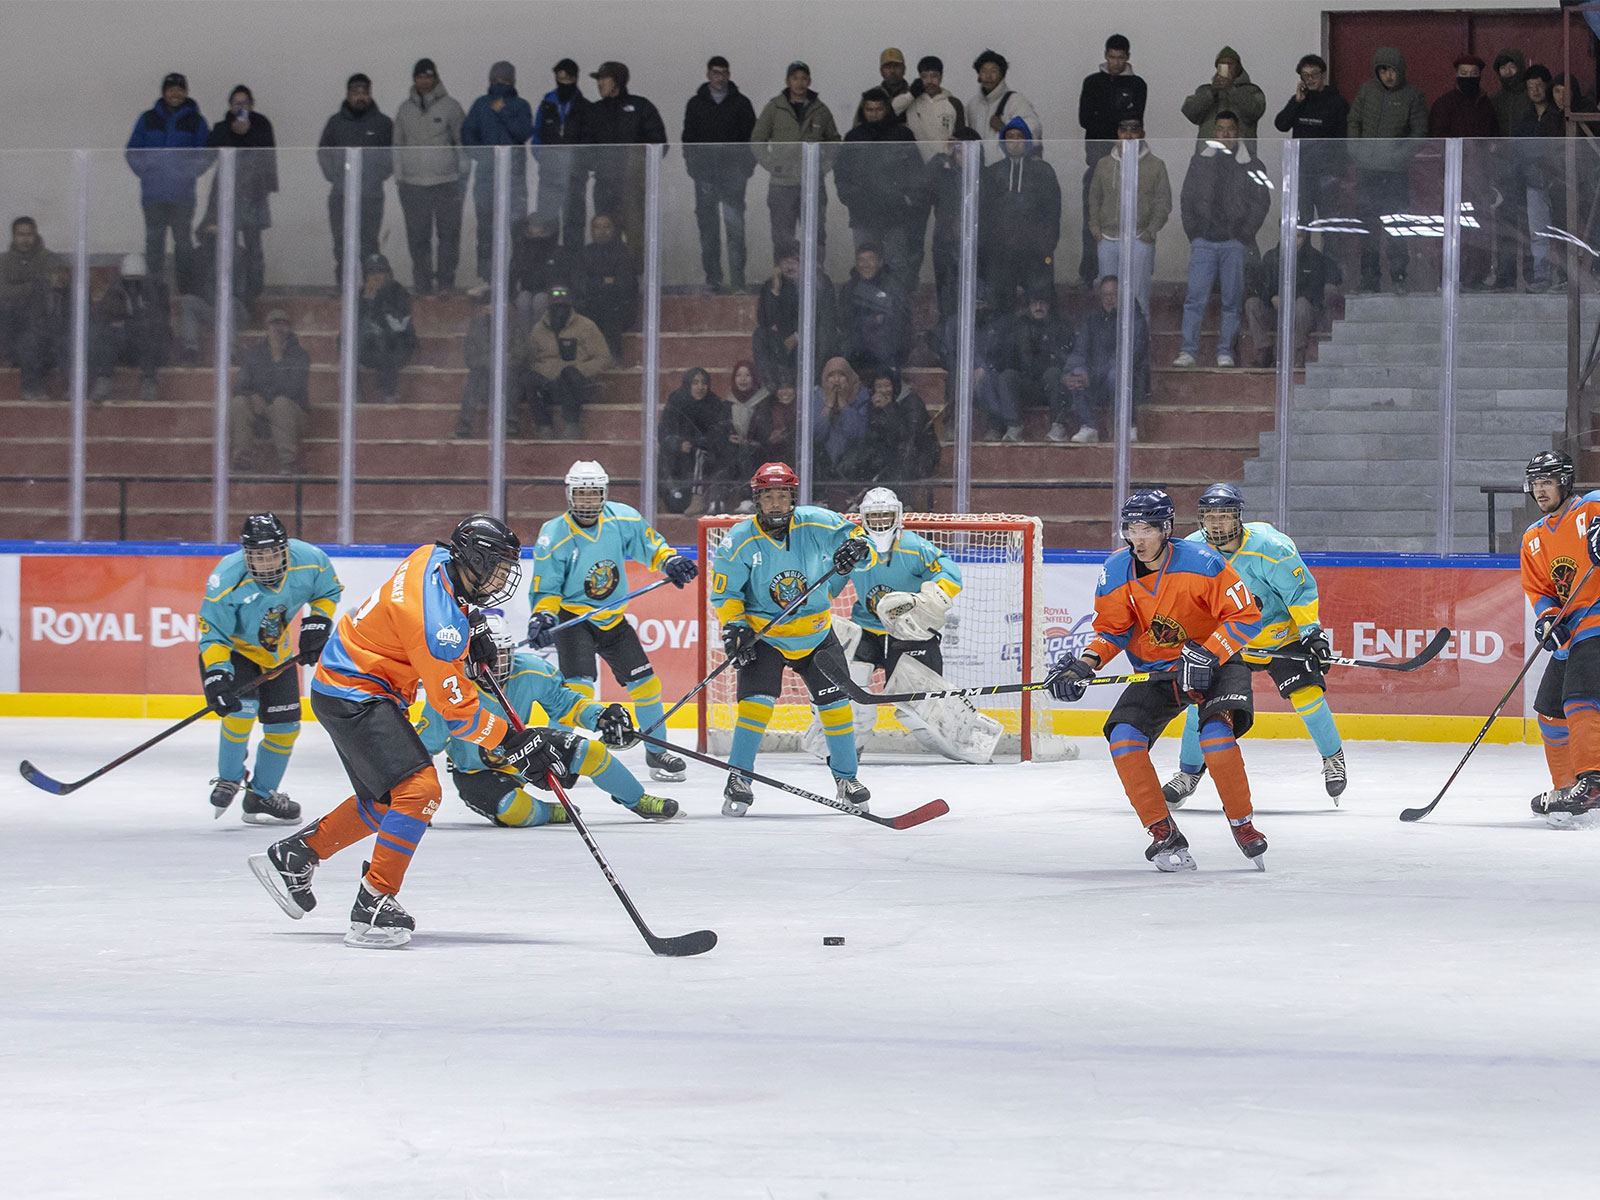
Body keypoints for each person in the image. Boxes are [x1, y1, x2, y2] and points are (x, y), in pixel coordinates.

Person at [251, 514, 565, 949]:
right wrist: (514, 744)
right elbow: (460, 716)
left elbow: (434, 621)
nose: (501, 578)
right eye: (494, 567)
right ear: (471, 560)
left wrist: (470, 631)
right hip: (355, 692)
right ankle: (374, 903)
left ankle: (295, 856)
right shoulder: (439, 629)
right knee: (420, 791)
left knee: (386, 801)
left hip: (347, 682)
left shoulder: (433, 557)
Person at [1045, 489, 1267, 871]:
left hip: (1216, 662)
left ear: (1166, 529)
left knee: (1215, 737)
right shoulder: (1115, 570)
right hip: (1158, 670)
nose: (1139, 537)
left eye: (1147, 527)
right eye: (1132, 527)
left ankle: (1242, 823)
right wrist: (1084, 664)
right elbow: (1112, 630)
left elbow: (1245, 616)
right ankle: (1163, 832)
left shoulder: (1203, 563)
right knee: (1123, 738)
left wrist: (1208, 653)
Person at [710, 460, 879, 815]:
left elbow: (861, 544)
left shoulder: (818, 522)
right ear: (757, 498)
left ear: (793, 498)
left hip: (816, 633)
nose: (775, 503)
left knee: (835, 707)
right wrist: (735, 625)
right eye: (768, 495)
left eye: (783, 495)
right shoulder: (738, 541)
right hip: (766, 635)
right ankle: (739, 777)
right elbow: (725, 596)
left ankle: (847, 778)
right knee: (756, 705)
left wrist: (859, 552)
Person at [1162, 484, 1346, 807]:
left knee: (1307, 695)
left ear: (1238, 517)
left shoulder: (1270, 547)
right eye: (1210, 517)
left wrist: (1312, 633)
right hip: (1228, 640)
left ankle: (1333, 757)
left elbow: (1299, 592)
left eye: (1224, 516)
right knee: (1199, 702)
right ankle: (1189, 772)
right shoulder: (1191, 550)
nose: (1216, 524)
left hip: (1279, 637)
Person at [417, 613, 678, 825]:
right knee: (514, 811)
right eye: (485, 658)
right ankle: (548, 812)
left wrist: (600, 717)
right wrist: (419, 802)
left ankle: (637, 799)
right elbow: (423, 750)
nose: (493, 665)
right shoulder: (449, 691)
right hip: (476, 772)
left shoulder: (530, 671)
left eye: (500, 655)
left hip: (525, 751)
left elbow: (567, 703)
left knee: (592, 751)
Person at [527, 460, 698, 783]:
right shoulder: (554, 535)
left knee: (647, 683)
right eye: (581, 494)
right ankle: (554, 754)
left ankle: (656, 749)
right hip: (574, 617)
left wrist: (671, 561)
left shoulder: (623, 519)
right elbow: (546, 587)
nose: (588, 501)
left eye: (594, 494)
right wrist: (543, 615)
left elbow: (652, 547)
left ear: (604, 494)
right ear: (569, 495)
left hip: (611, 618)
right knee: (576, 690)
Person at [824, 487, 999, 763]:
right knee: (851, 692)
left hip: (909, 631)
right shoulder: (856, 549)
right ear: (863, 518)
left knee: (916, 705)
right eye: (875, 516)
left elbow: (949, 571)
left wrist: (932, 596)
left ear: (898, 516)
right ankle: (845, 746)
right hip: (866, 628)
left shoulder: (914, 547)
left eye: (886, 515)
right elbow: (830, 586)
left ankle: (964, 740)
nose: (881, 522)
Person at [200, 512, 342, 825]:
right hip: (235, 652)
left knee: (286, 727)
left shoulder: (310, 560)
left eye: (272, 554)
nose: (265, 563)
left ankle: (261, 795)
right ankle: (229, 777)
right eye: (257, 556)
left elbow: (328, 591)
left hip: (277, 654)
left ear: (285, 549)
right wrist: (216, 676)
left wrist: (318, 622)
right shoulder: (226, 578)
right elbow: (213, 633)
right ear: (245, 554)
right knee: (240, 713)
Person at [1520, 451, 1600, 824]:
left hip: (1598, 623)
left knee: (1579, 698)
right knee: (1550, 711)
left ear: (1565, 483)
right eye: (1535, 484)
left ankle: (1593, 781)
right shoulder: (1533, 538)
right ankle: (1569, 790)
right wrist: (1548, 619)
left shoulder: (1590, 510)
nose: (1540, 490)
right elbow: (1540, 590)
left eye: (1547, 482)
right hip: (1572, 631)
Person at [1173, 113, 1271, 369]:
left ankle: (1225, 350)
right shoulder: (1200, 161)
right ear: (1213, 132)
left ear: (1237, 132)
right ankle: (1188, 351)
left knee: (1232, 300)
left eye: (1230, 129)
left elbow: (1261, 201)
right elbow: (1187, 198)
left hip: (1234, 242)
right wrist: (1194, 232)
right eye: (1220, 129)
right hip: (1203, 241)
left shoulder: (1252, 163)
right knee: (1195, 298)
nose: (1225, 135)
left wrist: (1244, 234)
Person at [1346, 48, 1428, 295]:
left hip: (1395, 173)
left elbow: (1419, 132)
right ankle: (1369, 278)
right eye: (1383, 70)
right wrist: (1355, 150)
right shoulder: (1367, 91)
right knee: (1368, 227)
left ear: (1400, 71)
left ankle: (1399, 275)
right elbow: (1354, 121)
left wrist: (1397, 157)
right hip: (1367, 170)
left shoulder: (1412, 95)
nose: (1388, 76)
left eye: (1392, 70)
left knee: (1396, 225)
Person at [124, 72, 211, 294]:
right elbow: (133, 151)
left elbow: (207, 154)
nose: (176, 93)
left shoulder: (196, 121)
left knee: (183, 244)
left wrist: (187, 173)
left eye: (180, 89)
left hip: (182, 195)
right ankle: (155, 291)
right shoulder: (147, 118)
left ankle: (186, 290)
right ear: (163, 91)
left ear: (186, 92)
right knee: (154, 244)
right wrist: (146, 170)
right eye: (171, 88)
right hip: (153, 195)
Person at [751, 62, 842, 260]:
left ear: (809, 81)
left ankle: (815, 279)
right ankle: (784, 283)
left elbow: (834, 141)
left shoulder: (820, 109)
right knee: (782, 236)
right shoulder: (775, 107)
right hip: (782, 184)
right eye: (795, 78)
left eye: (803, 78)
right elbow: (757, 139)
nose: (799, 83)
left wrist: (823, 166)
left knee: (816, 233)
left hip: (812, 183)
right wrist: (771, 164)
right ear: (787, 81)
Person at [682, 55, 758, 293]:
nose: (720, 77)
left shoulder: (742, 103)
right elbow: (688, 139)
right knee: (708, 230)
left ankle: (738, 282)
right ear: (708, 75)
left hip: (734, 175)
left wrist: (746, 169)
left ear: (729, 75)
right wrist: (694, 170)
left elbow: (752, 139)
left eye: (724, 72)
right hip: (705, 175)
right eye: (715, 72)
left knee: (735, 229)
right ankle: (713, 279)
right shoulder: (695, 104)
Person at [392, 58, 467, 296]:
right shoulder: (404, 109)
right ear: (414, 79)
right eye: (419, 76)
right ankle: (422, 285)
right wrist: (399, 177)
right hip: (413, 184)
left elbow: (461, 143)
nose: (424, 80)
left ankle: (445, 283)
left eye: (428, 76)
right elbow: (397, 144)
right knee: (417, 237)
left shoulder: (451, 107)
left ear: (435, 78)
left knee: (448, 236)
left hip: (446, 182)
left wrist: (461, 176)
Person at [1077, 35, 1147, 286]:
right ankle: (1089, 272)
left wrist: (1105, 114)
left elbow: (1133, 120)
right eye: (1111, 57)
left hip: (1128, 162)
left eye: (1120, 57)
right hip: (1097, 161)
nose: (1116, 62)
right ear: (1105, 55)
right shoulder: (1093, 82)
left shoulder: (1137, 84)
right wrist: (1117, 113)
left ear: (1127, 56)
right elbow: (1085, 119)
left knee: (1130, 217)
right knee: (1093, 217)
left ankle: (1129, 272)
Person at [834, 88, 925, 278]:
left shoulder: (902, 135)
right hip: (863, 213)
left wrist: (908, 199)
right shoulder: (854, 137)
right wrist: (851, 197)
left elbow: (916, 172)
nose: (874, 114)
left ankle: (897, 306)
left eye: (878, 109)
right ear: (863, 111)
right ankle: (866, 306)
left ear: (887, 110)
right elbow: (842, 173)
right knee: (865, 264)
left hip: (896, 213)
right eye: (869, 109)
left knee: (897, 262)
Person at [587, 61, 668, 273]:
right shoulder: (594, 111)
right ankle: (607, 280)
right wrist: (598, 164)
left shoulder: (641, 107)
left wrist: (639, 166)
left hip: (633, 186)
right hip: (605, 184)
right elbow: (584, 147)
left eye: (604, 79)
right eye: (598, 80)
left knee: (636, 236)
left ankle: (636, 281)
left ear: (617, 82)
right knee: (605, 233)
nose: (600, 84)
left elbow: (660, 144)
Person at [1087, 117, 1170, 319]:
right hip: (1108, 239)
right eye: (1123, 130)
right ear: (1117, 133)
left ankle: (1139, 347)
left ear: (1142, 133)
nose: (1128, 135)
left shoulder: (1156, 165)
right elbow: (1094, 198)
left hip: (1140, 238)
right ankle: (1109, 345)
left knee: (1139, 295)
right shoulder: (1104, 164)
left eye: (1134, 130)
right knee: (1109, 295)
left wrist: (1150, 232)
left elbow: (1163, 202)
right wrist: (1096, 230)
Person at [461, 61, 534, 289]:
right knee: (486, 228)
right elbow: (467, 135)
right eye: (496, 79)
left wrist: (504, 113)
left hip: (514, 179)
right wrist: (483, 157)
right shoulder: (481, 105)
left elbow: (523, 132)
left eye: (504, 79)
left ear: (512, 81)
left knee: (516, 229)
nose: (500, 83)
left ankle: (516, 278)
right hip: (485, 177)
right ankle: (487, 278)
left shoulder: (521, 106)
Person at [1429, 55, 1499, 291]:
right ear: (1456, 75)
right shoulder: (1444, 104)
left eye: (1474, 74)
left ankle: (1476, 277)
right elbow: (1438, 140)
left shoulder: (1486, 104)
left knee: (1479, 229)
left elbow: (1494, 141)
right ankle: (1449, 277)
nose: (1469, 78)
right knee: (1451, 228)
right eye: (1464, 73)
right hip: (1453, 176)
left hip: (1480, 177)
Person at [979, 117, 1062, 315]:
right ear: (1002, 142)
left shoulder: (1043, 171)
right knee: (1001, 306)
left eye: (1019, 137)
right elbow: (984, 214)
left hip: (1035, 253)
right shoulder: (993, 172)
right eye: (1009, 137)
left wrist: (1046, 245)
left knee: (1038, 303)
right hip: (1001, 254)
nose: (1014, 142)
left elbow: (1053, 211)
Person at [316, 73, 394, 283]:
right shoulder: (335, 123)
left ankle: (369, 291)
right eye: (355, 92)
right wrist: (335, 176)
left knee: (369, 244)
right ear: (348, 95)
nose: (360, 97)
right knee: (342, 244)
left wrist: (377, 175)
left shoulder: (383, 123)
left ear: (370, 94)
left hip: (371, 196)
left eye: (364, 92)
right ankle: (344, 287)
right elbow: (323, 152)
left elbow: (393, 155)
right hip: (341, 194)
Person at [203, 85, 277, 301]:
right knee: (228, 245)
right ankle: (231, 289)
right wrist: (231, 131)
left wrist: (248, 132)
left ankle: (254, 289)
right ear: (230, 106)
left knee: (254, 246)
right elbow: (208, 156)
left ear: (252, 105)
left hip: (254, 195)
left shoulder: (261, 125)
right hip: (227, 197)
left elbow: (268, 157)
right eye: (237, 103)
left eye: (245, 103)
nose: (241, 107)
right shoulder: (221, 127)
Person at [977, 281, 1074, 444]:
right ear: (1028, 305)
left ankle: (1058, 425)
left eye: (1042, 303)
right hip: (1026, 386)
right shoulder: (1017, 326)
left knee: (1054, 373)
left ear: (1049, 305)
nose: (1038, 307)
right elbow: (1007, 360)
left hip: (1053, 388)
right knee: (1007, 376)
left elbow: (1065, 359)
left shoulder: (1061, 327)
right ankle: (1013, 426)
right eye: (1034, 303)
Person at [1058, 274, 1150, 444]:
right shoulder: (1092, 318)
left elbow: (1130, 357)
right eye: (1105, 295)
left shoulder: (1134, 319)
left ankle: (1127, 426)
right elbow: (1080, 350)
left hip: (1130, 382)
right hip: (1098, 382)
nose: (1109, 299)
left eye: (1113, 294)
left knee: (1116, 374)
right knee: (1077, 372)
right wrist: (1071, 373)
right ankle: (1088, 426)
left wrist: (1093, 374)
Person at [1242, 229, 1341, 369]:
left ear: (1305, 237)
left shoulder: (1315, 258)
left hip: (1303, 314)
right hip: (1276, 312)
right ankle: (1264, 351)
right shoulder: (1270, 257)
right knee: (1252, 304)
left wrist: (1289, 299)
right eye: (1288, 236)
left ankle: (1297, 353)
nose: (1292, 240)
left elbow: (1316, 291)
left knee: (1301, 304)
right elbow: (1261, 287)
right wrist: (1271, 297)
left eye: (1298, 236)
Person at [229, 307, 310, 472]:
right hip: (262, 418)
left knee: (281, 403)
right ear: (267, 327)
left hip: (292, 418)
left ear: (289, 328)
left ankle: (289, 463)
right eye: (275, 323)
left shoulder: (300, 355)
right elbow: (239, 386)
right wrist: (252, 396)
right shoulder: (254, 353)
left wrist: (278, 357)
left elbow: (292, 390)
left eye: (283, 323)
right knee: (239, 403)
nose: (279, 327)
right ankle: (241, 461)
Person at [836, 367, 939, 495]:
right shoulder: (871, 405)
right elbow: (867, 436)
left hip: (912, 458)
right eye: (879, 386)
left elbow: (907, 437)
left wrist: (888, 408)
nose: (884, 391)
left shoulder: (911, 402)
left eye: (887, 385)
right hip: (883, 458)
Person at [526, 282, 610, 438]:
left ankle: (572, 425)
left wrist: (579, 369)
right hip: (549, 385)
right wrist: (542, 371)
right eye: (555, 306)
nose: (559, 310)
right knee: (531, 379)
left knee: (569, 374)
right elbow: (531, 359)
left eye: (563, 306)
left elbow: (603, 358)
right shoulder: (538, 329)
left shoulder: (586, 326)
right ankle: (544, 428)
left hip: (577, 384)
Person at [1272, 55, 1347, 228]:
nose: (1310, 79)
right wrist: (1297, 102)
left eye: (1314, 74)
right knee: (1301, 225)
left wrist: (1336, 172)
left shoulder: (1337, 103)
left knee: (1330, 226)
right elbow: (1281, 124)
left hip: (1327, 176)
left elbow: (1343, 140)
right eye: (1305, 75)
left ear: (1323, 75)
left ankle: (1329, 256)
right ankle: (1303, 255)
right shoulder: (1299, 101)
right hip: (1302, 174)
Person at [1, 216, 70, 402]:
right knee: (26, 340)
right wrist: (34, 286)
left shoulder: (49, 258)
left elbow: (60, 278)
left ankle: (70, 389)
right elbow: (3, 292)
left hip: (46, 326)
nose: (25, 239)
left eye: (29, 234)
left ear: (35, 234)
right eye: (20, 235)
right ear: (13, 237)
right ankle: (32, 388)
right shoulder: (3, 262)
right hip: (15, 329)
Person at [751, 239, 836, 387]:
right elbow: (765, 321)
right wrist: (775, 291)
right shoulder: (772, 285)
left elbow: (826, 318)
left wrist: (798, 336)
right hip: (784, 345)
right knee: (760, 335)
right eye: (784, 261)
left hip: (812, 341)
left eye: (795, 260)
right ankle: (771, 386)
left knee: (825, 334)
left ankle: (815, 383)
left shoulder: (820, 283)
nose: (789, 265)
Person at [89, 253, 168, 406]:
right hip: (123, 346)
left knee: (147, 334)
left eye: (137, 280)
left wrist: (128, 325)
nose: (133, 285)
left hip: (149, 347)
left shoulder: (156, 292)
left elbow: (158, 322)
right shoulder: (115, 292)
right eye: (129, 280)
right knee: (107, 336)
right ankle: (103, 381)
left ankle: (149, 382)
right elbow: (105, 319)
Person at [454, 289, 532, 438]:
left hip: (510, 378)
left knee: (510, 375)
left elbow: (522, 353)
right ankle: (464, 425)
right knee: (474, 377)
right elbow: (470, 357)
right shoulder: (475, 327)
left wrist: (502, 362)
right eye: (490, 305)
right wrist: (495, 361)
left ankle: (510, 424)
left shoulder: (514, 326)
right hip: (485, 380)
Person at [532, 59, 591, 248]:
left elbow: (589, 142)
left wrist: (580, 164)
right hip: (549, 174)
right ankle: (546, 267)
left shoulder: (584, 107)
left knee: (574, 223)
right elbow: (537, 138)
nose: (562, 84)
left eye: (566, 79)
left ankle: (572, 270)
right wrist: (545, 159)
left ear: (575, 79)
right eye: (559, 79)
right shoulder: (547, 105)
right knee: (547, 221)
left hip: (575, 175)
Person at [1490, 49, 1535, 291]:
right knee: (1505, 225)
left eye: (1511, 66)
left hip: (1529, 170)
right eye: (1502, 67)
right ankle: (1505, 276)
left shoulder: (1531, 97)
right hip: (1504, 172)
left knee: (1530, 224)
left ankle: (1531, 276)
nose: (1508, 72)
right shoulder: (1495, 100)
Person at [1516, 66, 1564, 292]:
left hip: (1560, 181)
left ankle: (1566, 277)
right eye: (1529, 87)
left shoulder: (1559, 116)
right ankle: (1541, 277)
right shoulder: (1525, 118)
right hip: (1533, 181)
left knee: (1565, 231)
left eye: (1538, 85)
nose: (1534, 91)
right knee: (1538, 233)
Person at [926, 128, 981, 319]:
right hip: (945, 242)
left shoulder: (986, 177)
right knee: (947, 297)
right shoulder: (944, 174)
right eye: (959, 150)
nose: (962, 155)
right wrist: (944, 155)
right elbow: (925, 189)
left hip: (976, 245)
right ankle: (947, 337)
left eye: (967, 150)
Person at [659, 367, 730, 514]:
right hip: (679, 456)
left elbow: (718, 434)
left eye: (704, 383)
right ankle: (666, 496)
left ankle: (697, 498)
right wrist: (679, 444)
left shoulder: (714, 403)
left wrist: (694, 443)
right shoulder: (676, 402)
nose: (700, 387)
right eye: (695, 383)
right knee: (664, 455)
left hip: (705, 453)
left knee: (699, 454)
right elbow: (664, 432)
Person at [836, 242, 912, 375]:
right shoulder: (849, 288)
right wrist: (872, 320)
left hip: (885, 350)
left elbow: (899, 320)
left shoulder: (893, 286)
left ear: (880, 262)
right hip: (857, 349)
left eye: (871, 259)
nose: (866, 264)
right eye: (861, 260)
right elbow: (844, 320)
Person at [1180, 47, 1266, 152]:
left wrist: (1232, 90)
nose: (1226, 67)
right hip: (1207, 155)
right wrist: (1211, 92)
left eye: (1230, 64)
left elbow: (1254, 111)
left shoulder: (1251, 91)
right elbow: (1189, 112)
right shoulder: (1206, 91)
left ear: (1239, 68)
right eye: (1222, 64)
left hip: (1242, 156)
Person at [357, 254, 416, 403]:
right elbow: (352, 326)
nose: (376, 277)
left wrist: (377, 300)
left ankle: (389, 393)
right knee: (348, 341)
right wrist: (366, 302)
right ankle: (353, 391)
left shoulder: (398, 292)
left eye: (380, 272)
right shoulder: (359, 295)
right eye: (371, 273)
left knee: (384, 340)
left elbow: (399, 327)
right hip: (369, 349)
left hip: (398, 347)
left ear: (388, 274)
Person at [576, 212, 635, 359]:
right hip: (590, 305)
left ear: (613, 229)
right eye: (597, 227)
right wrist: (606, 281)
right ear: (591, 230)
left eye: (606, 227)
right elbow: (580, 284)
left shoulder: (623, 253)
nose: (602, 231)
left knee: (610, 308)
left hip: (616, 307)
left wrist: (597, 284)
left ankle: (613, 357)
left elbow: (625, 284)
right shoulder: (585, 253)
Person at [967, 49, 1040, 166]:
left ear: (1002, 74)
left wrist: (1004, 128)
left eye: (994, 71)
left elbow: (1033, 130)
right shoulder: (973, 105)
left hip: (1006, 169)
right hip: (980, 169)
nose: (988, 76)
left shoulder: (1016, 101)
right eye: (984, 71)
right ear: (979, 75)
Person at [813, 356, 871, 481]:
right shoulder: (816, 397)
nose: (837, 380)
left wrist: (843, 404)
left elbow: (857, 434)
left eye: (842, 375)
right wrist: (828, 405)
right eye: (832, 375)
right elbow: (816, 436)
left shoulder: (861, 396)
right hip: (823, 466)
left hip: (854, 464)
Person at [855, 48, 914, 125]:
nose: (892, 71)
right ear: (881, 71)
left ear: (904, 69)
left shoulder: (913, 95)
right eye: (888, 67)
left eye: (896, 66)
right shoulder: (871, 96)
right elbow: (858, 127)